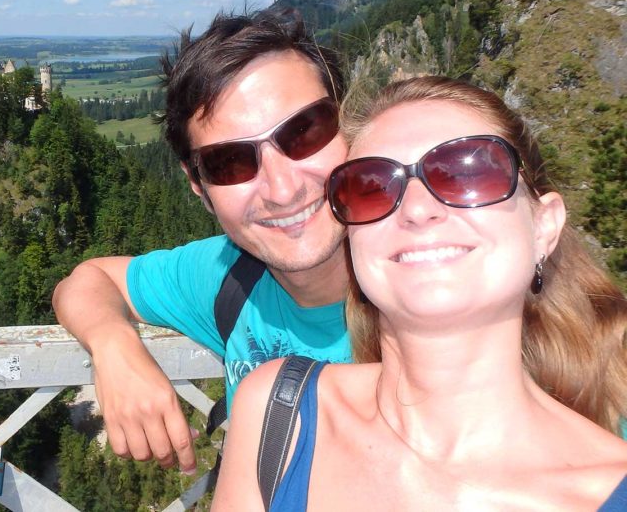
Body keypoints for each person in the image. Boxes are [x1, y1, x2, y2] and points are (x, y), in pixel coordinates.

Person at [214, 76, 627, 510]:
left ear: (545, 226)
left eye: (469, 171)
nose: (416, 209)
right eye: (372, 186)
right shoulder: (279, 414)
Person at [52, 8, 353, 475]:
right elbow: (88, 279)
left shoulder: (449, 298)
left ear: (349, 127)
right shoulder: (232, 275)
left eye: (304, 132)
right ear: (198, 185)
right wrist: (114, 345)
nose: (282, 189)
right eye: (230, 161)